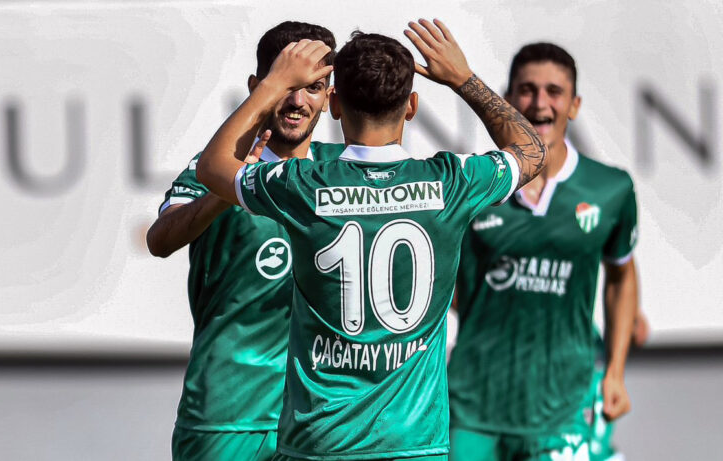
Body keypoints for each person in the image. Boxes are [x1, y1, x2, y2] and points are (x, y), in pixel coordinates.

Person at [195, 19, 546, 460]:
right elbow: (532, 150)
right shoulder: (453, 181)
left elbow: (212, 167)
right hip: (413, 444)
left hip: (320, 443)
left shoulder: (303, 184)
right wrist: (463, 79)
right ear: (412, 106)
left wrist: (273, 85)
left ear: (334, 104)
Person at [145, 21, 342, 461]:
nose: (297, 101)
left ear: (330, 98)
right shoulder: (217, 167)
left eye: (313, 88)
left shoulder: (342, 172)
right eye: (285, 86)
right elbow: (160, 240)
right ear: (258, 88)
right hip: (228, 417)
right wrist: (228, 189)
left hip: (320, 422)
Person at [447, 43, 641, 461]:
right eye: (527, 90)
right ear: (507, 100)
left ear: (574, 105)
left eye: (554, 92)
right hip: (473, 406)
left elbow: (622, 275)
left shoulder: (610, 189)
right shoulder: (476, 185)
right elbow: (443, 282)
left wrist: (615, 371)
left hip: (563, 410)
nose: (539, 104)